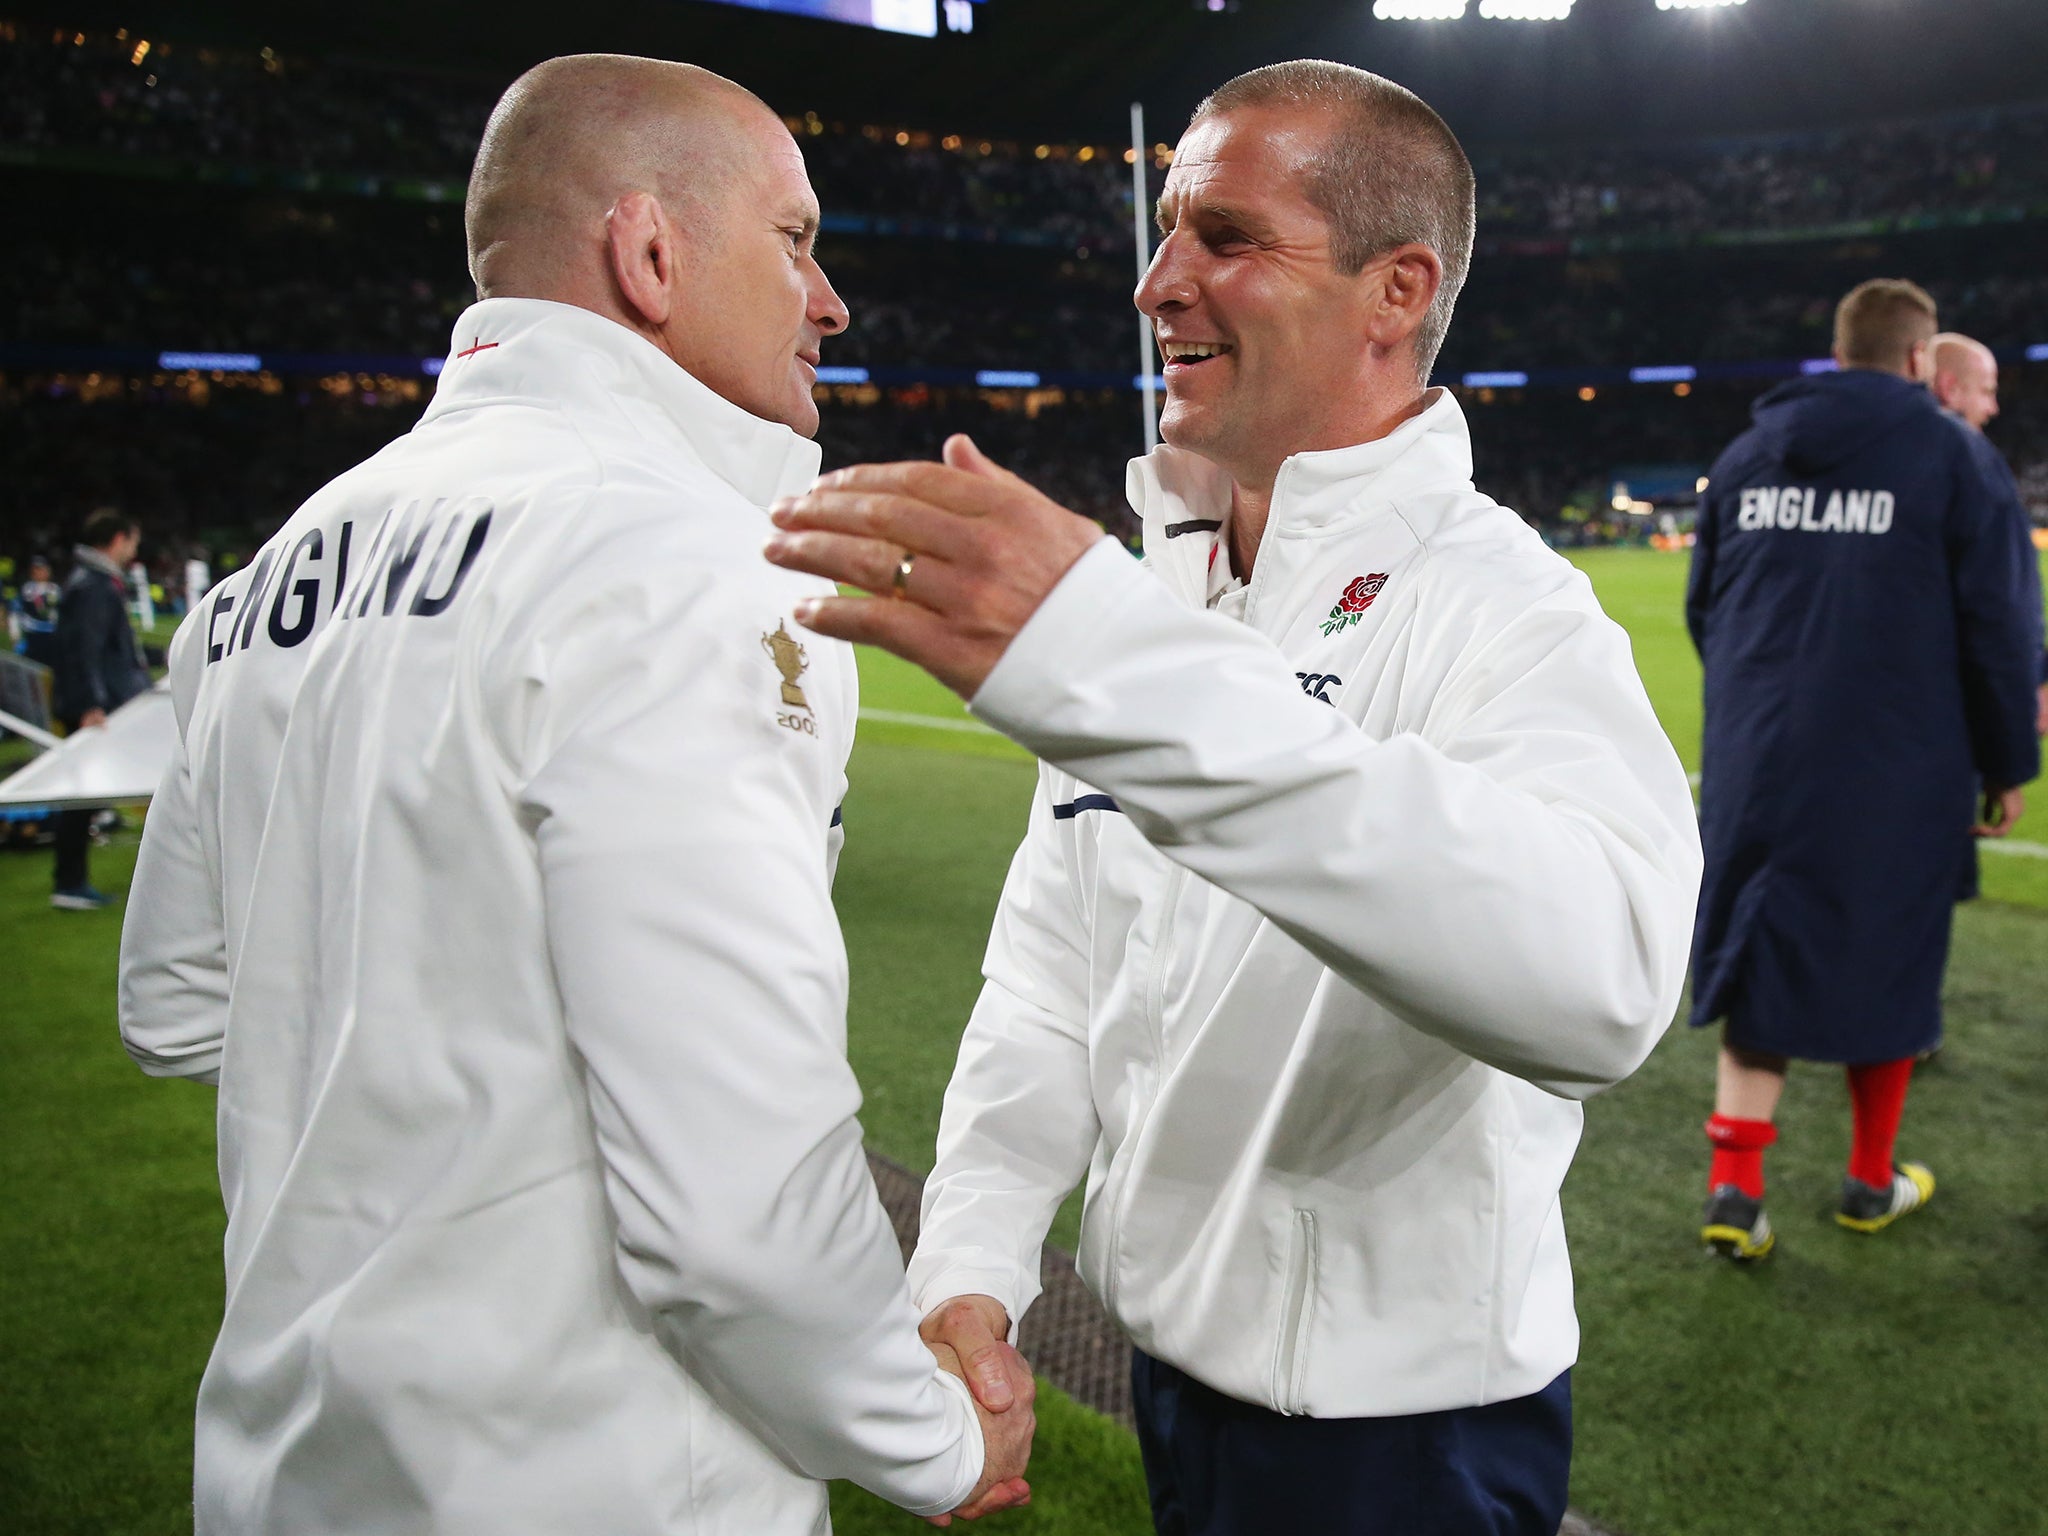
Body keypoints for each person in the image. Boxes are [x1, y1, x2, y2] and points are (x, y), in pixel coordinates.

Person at [765, 61, 1701, 1535]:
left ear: (1397, 290)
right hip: (1178, 1387)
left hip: (1397, 1437)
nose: (1157, 284)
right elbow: (1050, 979)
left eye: (1226, 237)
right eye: (1164, 235)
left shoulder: (1508, 611)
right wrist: (972, 1266)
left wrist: (1132, 685)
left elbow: (1607, 988)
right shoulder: (1160, 596)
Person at [115, 54, 1031, 1535]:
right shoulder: (690, 565)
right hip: (599, 1481)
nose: (831, 301)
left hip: (287, 1468)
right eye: (795, 240)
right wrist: (931, 1440)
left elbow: (173, 1008)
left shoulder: (263, 578)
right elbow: (734, 1201)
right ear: (650, 252)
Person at [1684, 282, 2041, 1262]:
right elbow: (2001, 630)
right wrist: (2006, 760)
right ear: (1921, 359)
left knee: (1760, 946)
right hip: (1899, 760)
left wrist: (1763, 712)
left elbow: (1706, 610)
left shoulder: (1746, 457)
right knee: (1889, 957)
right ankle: (1867, 1180)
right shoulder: (1954, 458)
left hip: (1758, 758)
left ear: (1838, 353)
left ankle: (1733, 1189)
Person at [1926, 331, 2047, 738]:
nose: (1993, 408)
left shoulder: (1870, 462)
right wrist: (2033, 682)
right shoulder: (1975, 471)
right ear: (1950, 388)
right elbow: (2003, 604)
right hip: (1948, 715)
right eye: (1987, 391)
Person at [51, 510, 150, 910]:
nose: (134, 550)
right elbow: (85, 650)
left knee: (86, 793)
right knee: (82, 794)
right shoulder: (95, 586)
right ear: (118, 539)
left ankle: (71, 879)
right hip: (96, 706)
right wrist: (90, 704)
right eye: (133, 542)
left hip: (97, 700)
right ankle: (69, 882)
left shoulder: (90, 581)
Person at [12, 553, 62, 667]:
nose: (38, 572)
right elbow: (16, 611)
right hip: (31, 634)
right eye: (35, 569)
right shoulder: (26, 589)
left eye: (41, 569)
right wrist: (16, 635)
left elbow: (60, 613)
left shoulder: (54, 590)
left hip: (50, 635)